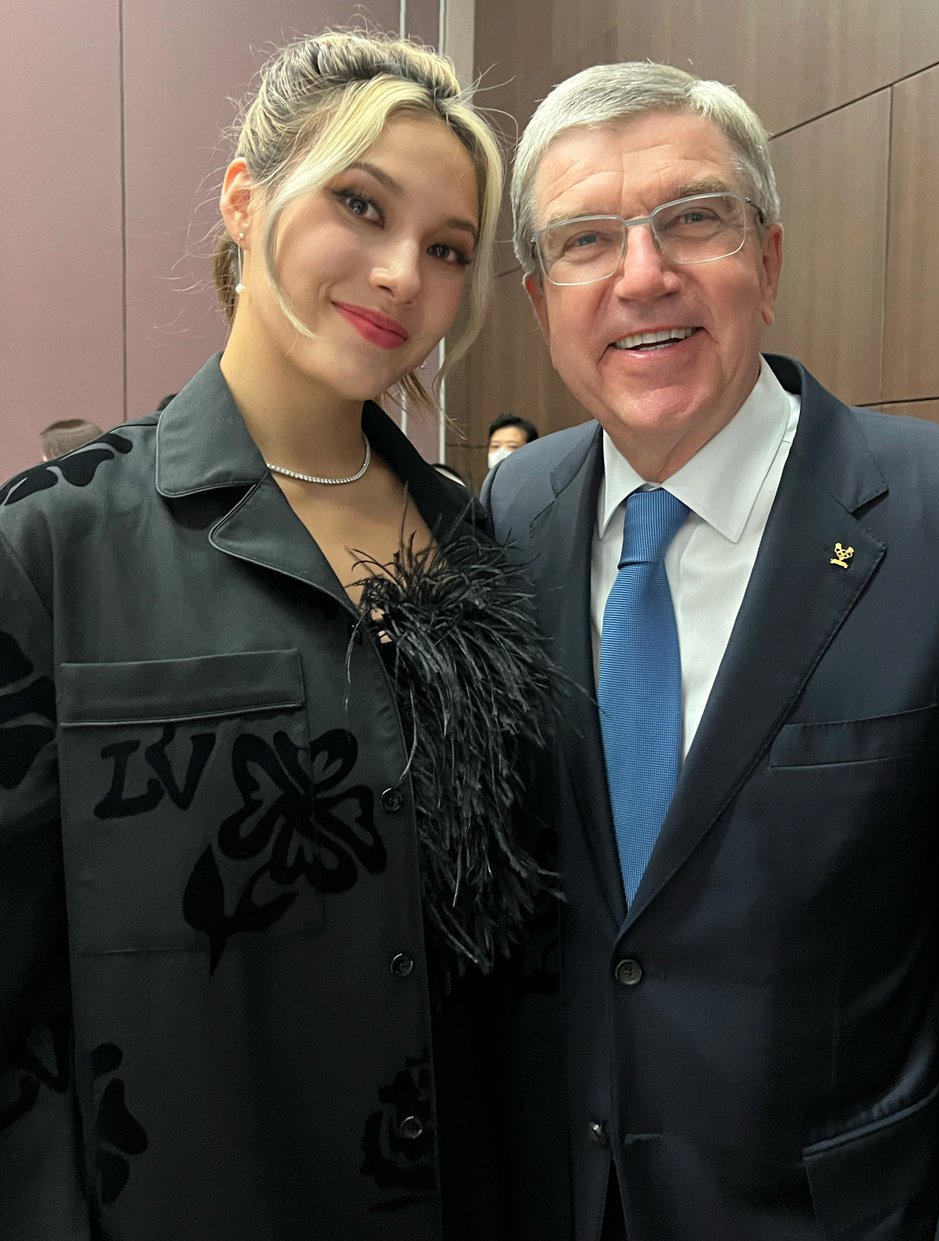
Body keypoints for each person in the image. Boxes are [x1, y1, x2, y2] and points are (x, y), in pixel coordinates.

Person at [0, 30, 564, 1241]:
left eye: (448, 248)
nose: (401, 272)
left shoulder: (476, 552)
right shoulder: (56, 546)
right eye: (360, 205)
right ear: (245, 199)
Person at [483, 59, 939, 1241]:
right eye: (585, 240)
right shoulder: (507, 513)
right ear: (539, 299)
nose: (643, 273)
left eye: (692, 219)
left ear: (767, 262)